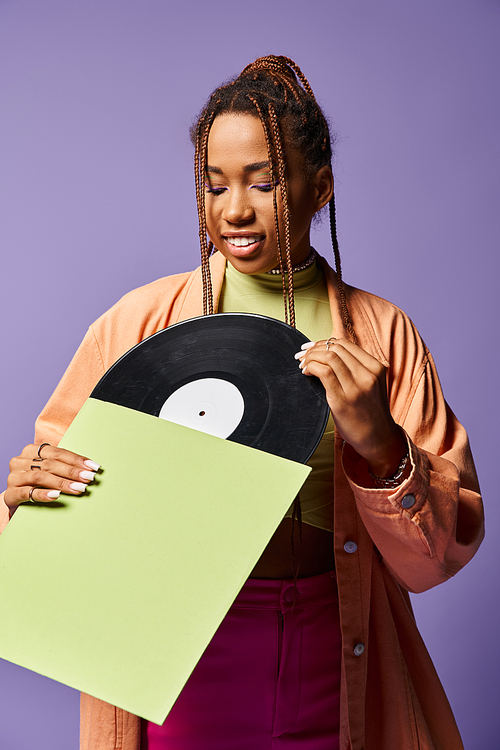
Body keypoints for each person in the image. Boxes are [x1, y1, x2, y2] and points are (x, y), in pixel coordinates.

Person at [0, 56, 484, 750]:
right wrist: (28, 497)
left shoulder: (384, 336)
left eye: (264, 182)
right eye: (214, 184)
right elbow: (50, 534)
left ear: (320, 189)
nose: (234, 209)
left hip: (339, 654)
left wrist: (382, 445)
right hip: (182, 671)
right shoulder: (135, 325)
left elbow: (433, 562)